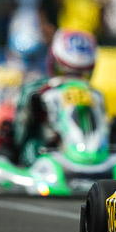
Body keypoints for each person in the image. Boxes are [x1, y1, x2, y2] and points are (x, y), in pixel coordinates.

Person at [9, 28, 97, 166]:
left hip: (85, 154)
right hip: (44, 155)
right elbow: (19, 132)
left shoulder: (95, 95)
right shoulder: (37, 90)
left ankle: (90, 156)